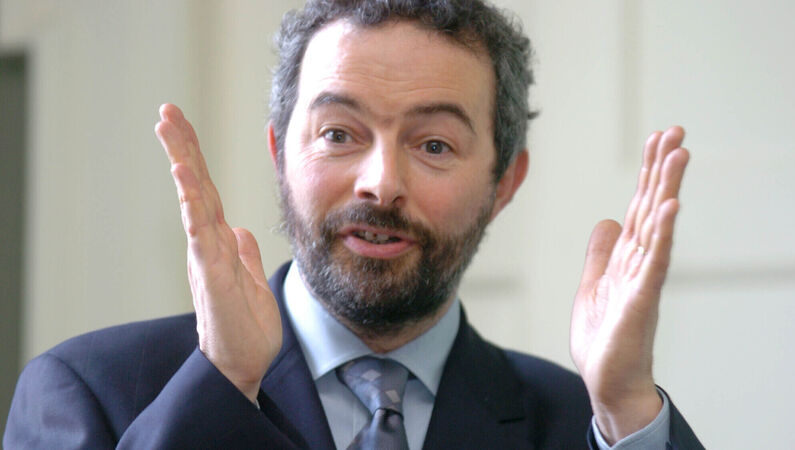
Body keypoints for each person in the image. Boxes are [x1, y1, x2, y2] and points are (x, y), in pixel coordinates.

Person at [5, 0, 703, 448]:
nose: (382, 182)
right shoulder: (88, 392)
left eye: (434, 145)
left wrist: (626, 409)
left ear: (504, 184)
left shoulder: (591, 425)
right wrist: (223, 382)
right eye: (339, 134)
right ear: (280, 154)